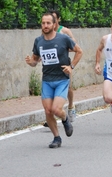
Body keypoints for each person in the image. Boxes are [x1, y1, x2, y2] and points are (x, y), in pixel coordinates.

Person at [25, 13, 83, 148]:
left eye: (48, 23)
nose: (45, 26)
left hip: (62, 79)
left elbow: (79, 51)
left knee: (56, 109)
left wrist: (71, 66)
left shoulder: (63, 38)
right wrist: (30, 62)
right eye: (43, 23)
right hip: (47, 80)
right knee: (48, 111)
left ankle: (64, 118)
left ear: (54, 24)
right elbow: (35, 61)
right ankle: (56, 138)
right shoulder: (38, 41)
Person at [41, 10, 77, 128]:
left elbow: (74, 46)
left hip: (64, 65)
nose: (49, 24)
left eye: (53, 20)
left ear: (57, 21)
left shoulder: (65, 31)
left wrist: (61, 49)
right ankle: (51, 117)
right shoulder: (45, 33)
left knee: (69, 87)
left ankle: (71, 106)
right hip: (50, 69)